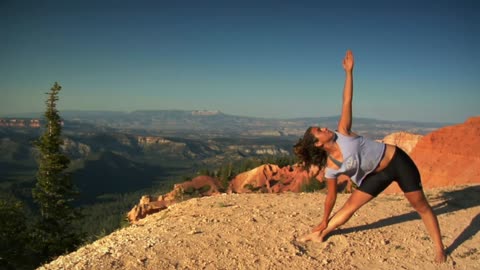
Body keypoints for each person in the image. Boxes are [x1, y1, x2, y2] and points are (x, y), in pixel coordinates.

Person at [294, 50, 446, 263]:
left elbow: (347, 101)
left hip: (397, 162)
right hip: (377, 175)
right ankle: (319, 233)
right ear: (318, 143)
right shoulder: (331, 167)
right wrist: (323, 221)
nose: (325, 127)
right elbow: (331, 197)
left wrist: (349, 73)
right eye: (320, 130)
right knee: (349, 207)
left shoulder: (343, 132)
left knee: (420, 205)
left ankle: (439, 248)